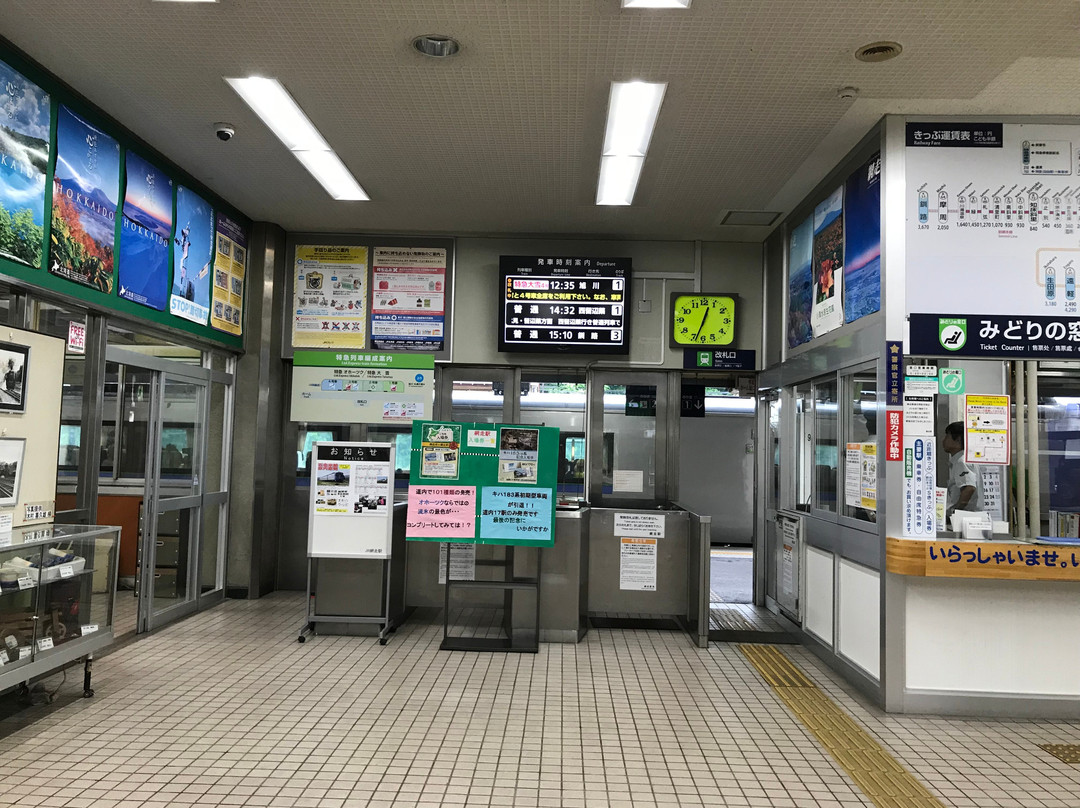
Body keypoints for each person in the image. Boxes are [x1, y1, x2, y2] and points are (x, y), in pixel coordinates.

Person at [942, 421, 980, 522]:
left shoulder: (961, 461)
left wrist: (954, 511)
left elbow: (969, 488)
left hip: (965, 518)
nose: (943, 440)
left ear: (958, 440)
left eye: (947, 437)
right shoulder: (966, 459)